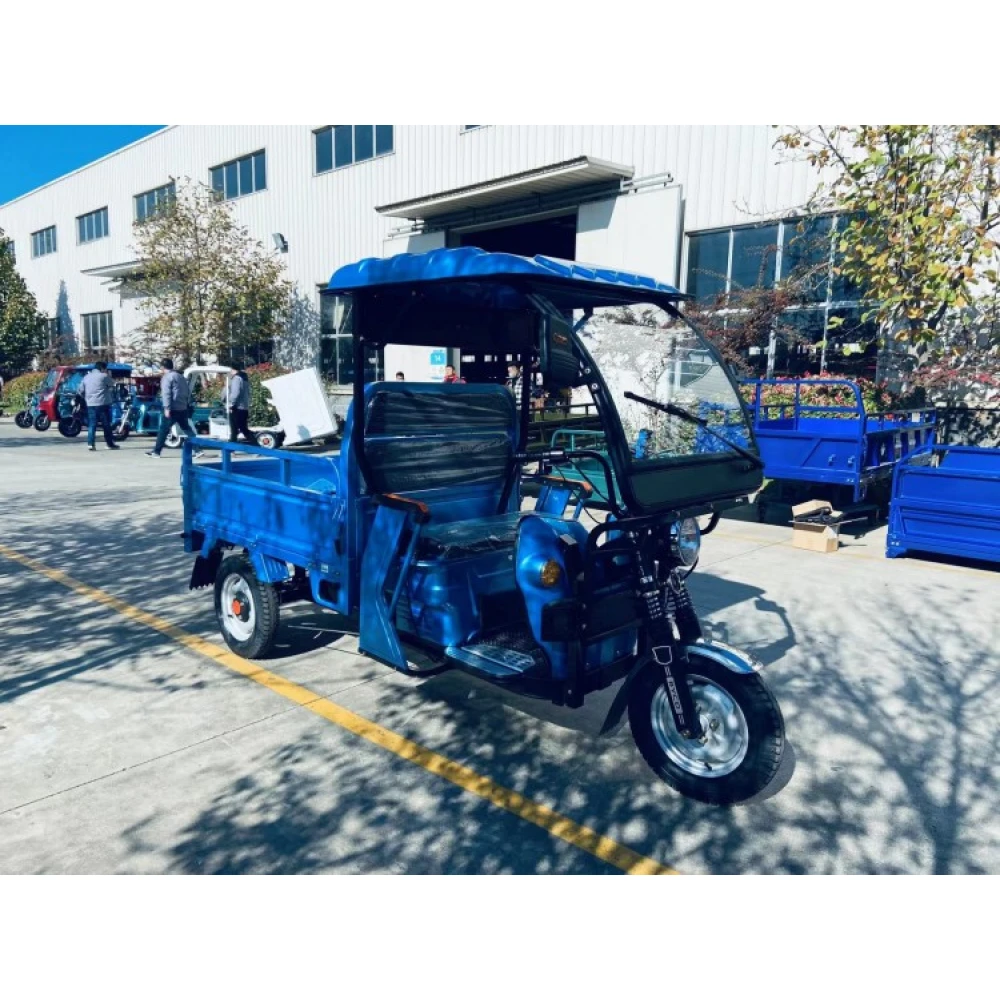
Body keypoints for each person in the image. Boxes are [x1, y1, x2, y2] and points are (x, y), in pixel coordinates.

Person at [147, 358, 197, 457]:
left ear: (162, 367)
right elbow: (187, 391)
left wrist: (167, 408)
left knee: (163, 429)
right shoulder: (180, 377)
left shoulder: (167, 377)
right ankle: (198, 449)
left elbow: (166, 394)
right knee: (187, 429)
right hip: (182, 407)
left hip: (172, 408)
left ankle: (156, 452)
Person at [78, 361, 120, 452]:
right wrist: (109, 375)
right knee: (106, 424)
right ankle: (109, 444)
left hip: (90, 404)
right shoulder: (103, 376)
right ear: (102, 368)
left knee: (92, 424)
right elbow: (113, 384)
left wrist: (86, 398)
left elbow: (80, 390)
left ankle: (90, 444)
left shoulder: (86, 377)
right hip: (102, 403)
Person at [226, 365, 257, 444]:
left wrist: (231, 403)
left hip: (237, 407)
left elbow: (235, 393)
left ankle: (256, 443)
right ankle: (232, 445)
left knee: (238, 428)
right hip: (244, 407)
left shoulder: (236, 378)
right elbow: (248, 393)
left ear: (232, 369)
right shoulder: (244, 378)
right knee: (238, 429)